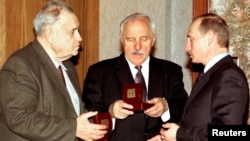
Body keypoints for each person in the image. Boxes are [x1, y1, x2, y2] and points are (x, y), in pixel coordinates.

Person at [0, 0, 107, 141]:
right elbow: (20, 118)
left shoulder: (67, 66)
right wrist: (74, 128)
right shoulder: (20, 65)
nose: (79, 38)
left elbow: (74, 112)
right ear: (50, 34)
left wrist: (107, 119)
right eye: (73, 31)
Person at [82, 12, 188, 141]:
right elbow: (88, 115)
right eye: (130, 39)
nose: (137, 46)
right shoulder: (99, 72)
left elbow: (186, 109)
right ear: (122, 40)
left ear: (153, 40)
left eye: (144, 39)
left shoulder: (171, 71)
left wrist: (166, 107)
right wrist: (110, 112)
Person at [159, 13, 249, 141]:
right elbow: (198, 123)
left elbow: (229, 133)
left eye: (191, 39)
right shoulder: (210, 74)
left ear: (210, 38)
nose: (186, 47)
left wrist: (180, 135)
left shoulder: (229, 76)